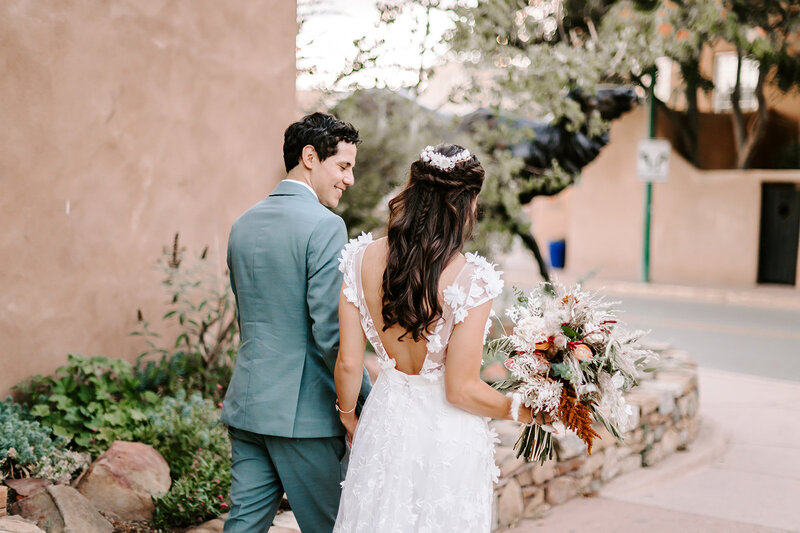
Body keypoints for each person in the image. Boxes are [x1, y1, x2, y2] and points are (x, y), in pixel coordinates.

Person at [333, 144, 551, 532]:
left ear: (412, 191)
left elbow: (349, 362)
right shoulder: (472, 278)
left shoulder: (358, 259)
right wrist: (525, 410)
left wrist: (349, 419)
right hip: (446, 437)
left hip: (385, 421)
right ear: (465, 204)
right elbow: (461, 389)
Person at [221, 112, 372, 533]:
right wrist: (365, 400)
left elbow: (251, 317)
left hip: (249, 408)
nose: (350, 179)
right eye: (343, 166)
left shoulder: (242, 224)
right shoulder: (325, 227)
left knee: (244, 525)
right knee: (332, 526)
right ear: (310, 157)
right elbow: (330, 332)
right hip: (303, 418)